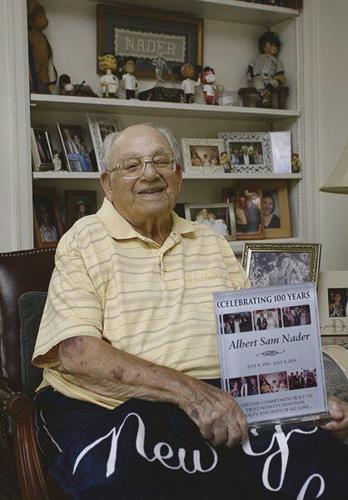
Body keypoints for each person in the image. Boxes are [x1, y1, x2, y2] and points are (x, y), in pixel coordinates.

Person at [32, 124, 348, 499]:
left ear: (177, 175)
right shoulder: (83, 240)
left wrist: (306, 398)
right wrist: (190, 393)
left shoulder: (211, 243)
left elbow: (255, 341)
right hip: (111, 407)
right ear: (107, 182)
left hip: (221, 404)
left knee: (321, 464)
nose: (149, 173)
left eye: (161, 161)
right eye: (131, 165)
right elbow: (77, 354)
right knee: (144, 483)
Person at [246, 31, 285, 106]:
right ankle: (264, 97)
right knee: (258, 83)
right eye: (271, 45)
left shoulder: (276, 60)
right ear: (264, 46)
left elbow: (279, 71)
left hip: (270, 78)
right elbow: (251, 66)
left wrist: (279, 77)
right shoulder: (258, 57)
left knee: (274, 83)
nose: (275, 48)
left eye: (276, 46)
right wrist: (249, 73)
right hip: (258, 76)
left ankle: (266, 95)